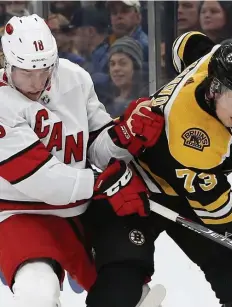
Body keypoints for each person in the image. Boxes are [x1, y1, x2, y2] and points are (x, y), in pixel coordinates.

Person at [96, 31, 232, 307]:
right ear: (214, 89)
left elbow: (184, 43)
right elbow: (216, 208)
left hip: (186, 186)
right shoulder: (191, 136)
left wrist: (203, 51)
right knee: (120, 284)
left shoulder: (214, 61)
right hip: (136, 186)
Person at [0, 14, 163, 307]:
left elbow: (96, 144)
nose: (37, 82)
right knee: (36, 293)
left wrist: (124, 137)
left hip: (81, 207)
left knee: (126, 293)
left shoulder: (74, 77)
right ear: (7, 62)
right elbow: (41, 178)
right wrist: (104, 183)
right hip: (20, 211)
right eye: (26, 72)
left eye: (45, 70)